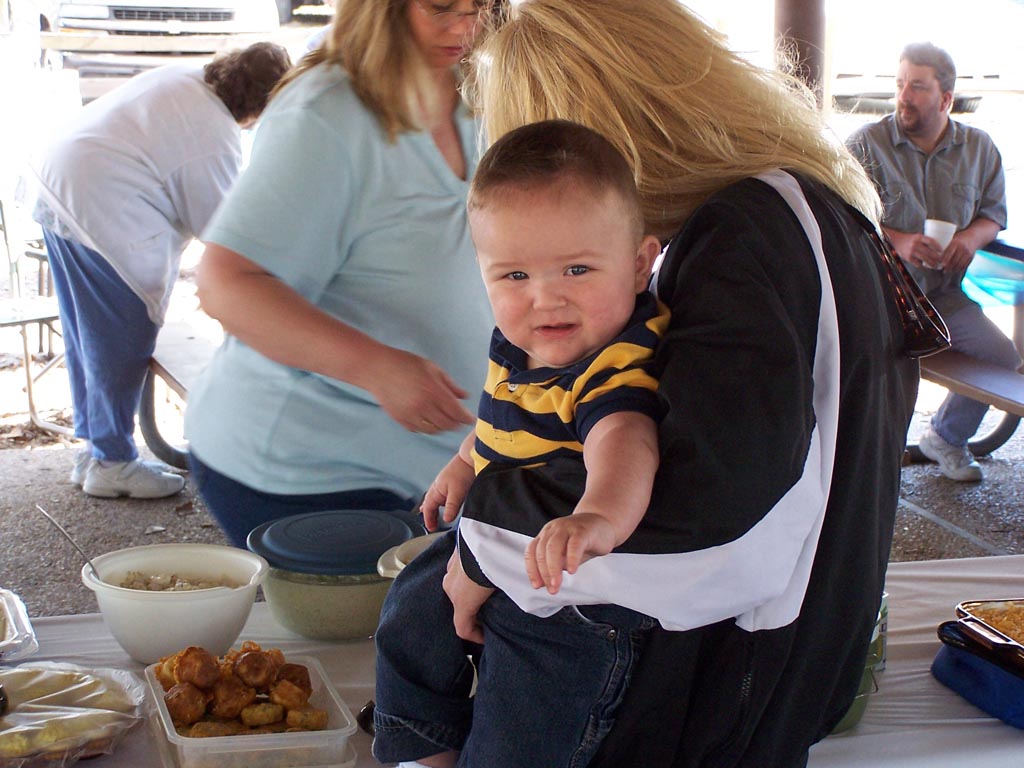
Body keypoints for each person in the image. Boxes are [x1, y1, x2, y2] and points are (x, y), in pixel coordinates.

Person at [372, 1, 925, 766]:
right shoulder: (797, 208)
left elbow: (711, 517)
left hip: (728, 695)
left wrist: (483, 544)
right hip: (782, 675)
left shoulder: (744, 237)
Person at [374, 120, 666, 766]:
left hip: (574, 588)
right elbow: (501, 420)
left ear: (639, 264)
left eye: (577, 268)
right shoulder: (522, 347)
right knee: (408, 614)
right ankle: (424, 750)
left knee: (523, 723)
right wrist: (463, 463)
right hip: (501, 543)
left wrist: (595, 518)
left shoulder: (612, 367)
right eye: (513, 276)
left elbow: (626, 446)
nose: (545, 298)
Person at [184, 0, 496, 547]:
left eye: (482, 6)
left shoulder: (479, 93)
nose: (465, 26)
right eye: (441, 7)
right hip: (310, 471)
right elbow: (225, 284)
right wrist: (376, 366)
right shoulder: (326, 114)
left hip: (439, 465)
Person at [29, 42, 292, 499]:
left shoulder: (185, 78)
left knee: (86, 335)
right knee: (121, 338)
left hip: (59, 186)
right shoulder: (213, 135)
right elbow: (225, 235)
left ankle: (95, 450)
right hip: (98, 207)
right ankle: (112, 461)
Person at [846, 42, 1020, 483]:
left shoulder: (979, 148)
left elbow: (994, 214)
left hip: (942, 298)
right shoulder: (866, 143)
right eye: (900, 84)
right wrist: (899, 242)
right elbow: (838, 214)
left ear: (945, 99)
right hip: (879, 298)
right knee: (871, 366)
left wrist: (970, 238)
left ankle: (945, 436)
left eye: (917, 87)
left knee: (1002, 356)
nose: (903, 96)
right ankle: (863, 462)